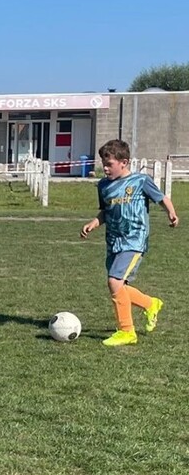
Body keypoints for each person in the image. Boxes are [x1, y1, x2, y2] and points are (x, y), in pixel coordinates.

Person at [80, 139, 179, 346]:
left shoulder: (140, 181)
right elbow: (106, 211)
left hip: (134, 240)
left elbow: (161, 197)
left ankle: (127, 332)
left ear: (124, 162)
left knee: (114, 282)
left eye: (109, 164)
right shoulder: (103, 186)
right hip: (114, 241)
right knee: (120, 286)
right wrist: (94, 223)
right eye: (103, 164)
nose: (105, 168)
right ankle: (151, 304)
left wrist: (171, 212)